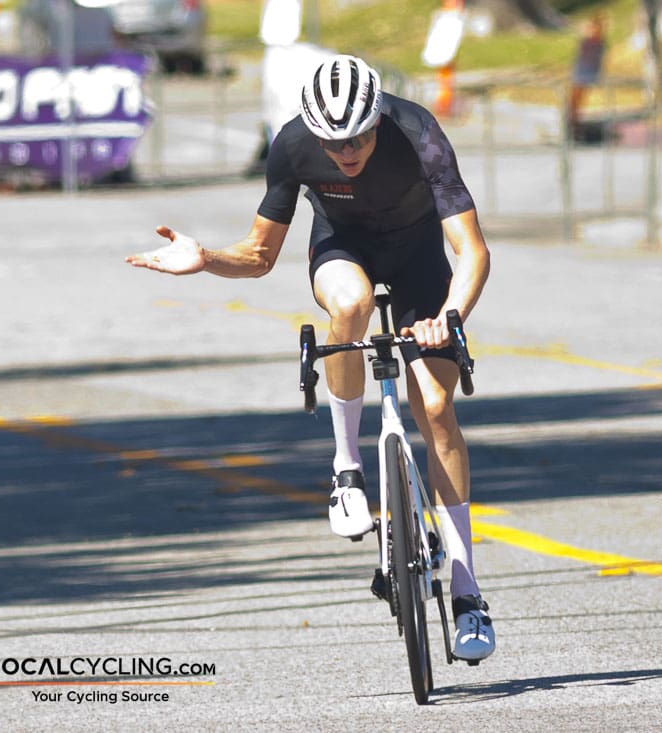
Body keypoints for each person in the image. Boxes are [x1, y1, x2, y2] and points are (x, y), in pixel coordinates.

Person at [126, 54, 495, 662]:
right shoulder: (294, 144)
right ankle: (347, 466)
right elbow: (261, 253)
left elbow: (471, 250)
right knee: (346, 307)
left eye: (357, 138)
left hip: (419, 259)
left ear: (378, 121)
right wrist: (208, 258)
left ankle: (467, 593)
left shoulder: (419, 132)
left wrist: (448, 317)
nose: (345, 152)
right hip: (342, 249)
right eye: (333, 142)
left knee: (434, 405)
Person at [567, 14, 606, 138]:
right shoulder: (588, 41)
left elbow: (597, 61)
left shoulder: (598, 43)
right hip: (581, 72)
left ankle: (575, 126)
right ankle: (572, 124)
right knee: (574, 100)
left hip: (586, 74)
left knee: (578, 100)